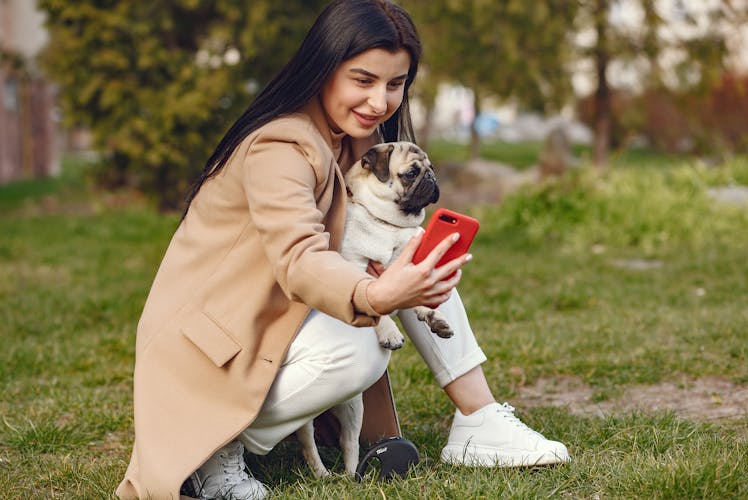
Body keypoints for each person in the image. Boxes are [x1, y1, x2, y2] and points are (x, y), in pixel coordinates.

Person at [116, 1, 569, 498]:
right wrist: (374, 296)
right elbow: (299, 258)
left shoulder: (355, 141)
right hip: (219, 345)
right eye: (363, 80)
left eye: (395, 84)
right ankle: (207, 450)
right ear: (324, 68)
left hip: (278, 321)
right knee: (360, 348)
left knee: (420, 262)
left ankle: (479, 420)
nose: (380, 101)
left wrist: (402, 276)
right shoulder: (278, 148)